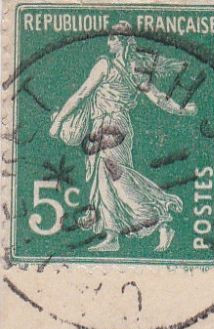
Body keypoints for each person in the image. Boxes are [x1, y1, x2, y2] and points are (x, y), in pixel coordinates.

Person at [47, 24, 196, 253]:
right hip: (109, 126)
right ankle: (113, 236)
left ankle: (159, 214)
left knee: (114, 175)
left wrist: (58, 122)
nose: (108, 43)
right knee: (106, 179)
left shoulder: (106, 65)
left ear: (122, 41)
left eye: (112, 39)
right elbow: (159, 98)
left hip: (112, 126)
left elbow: (81, 94)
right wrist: (180, 109)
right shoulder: (134, 68)